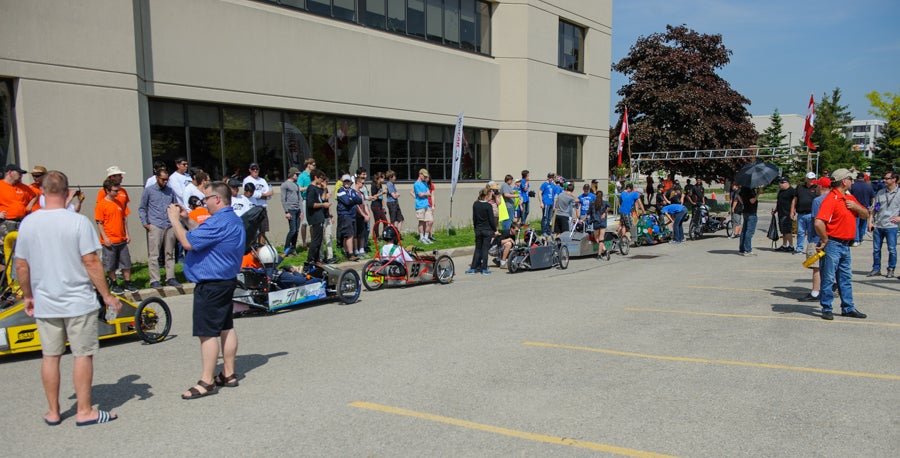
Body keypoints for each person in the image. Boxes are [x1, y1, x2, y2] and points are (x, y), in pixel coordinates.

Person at [15, 170, 121, 426]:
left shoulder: (29, 222)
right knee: (82, 354)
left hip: (45, 300)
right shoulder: (77, 222)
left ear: (41, 191)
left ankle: (53, 411)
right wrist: (106, 295)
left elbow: (21, 265)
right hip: (77, 300)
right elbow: (91, 261)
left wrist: (28, 295)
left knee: (50, 356)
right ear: (66, 192)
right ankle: (84, 411)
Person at [167, 181, 245, 398]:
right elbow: (202, 233)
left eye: (207, 199)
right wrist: (186, 218)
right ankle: (228, 373)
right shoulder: (230, 219)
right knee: (225, 326)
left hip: (211, 284)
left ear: (217, 199)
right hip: (225, 280)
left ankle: (207, 380)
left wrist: (174, 220)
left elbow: (188, 243)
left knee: (207, 333)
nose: (204, 202)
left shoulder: (219, 221)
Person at [814, 169, 869, 320]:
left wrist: (856, 207)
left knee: (845, 278)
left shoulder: (848, 198)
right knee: (829, 278)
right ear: (844, 181)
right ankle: (827, 307)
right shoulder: (831, 199)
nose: (852, 182)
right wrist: (824, 239)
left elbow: (866, 214)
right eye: (850, 179)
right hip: (833, 243)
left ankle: (848, 307)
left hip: (845, 245)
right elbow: (818, 223)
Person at [138, 169, 180, 288]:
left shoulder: (170, 191)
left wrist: (175, 221)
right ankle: (154, 280)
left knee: (170, 252)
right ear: (157, 178)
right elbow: (142, 207)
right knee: (154, 254)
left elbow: (175, 206)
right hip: (155, 224)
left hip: (169, 224)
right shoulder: (149, 191)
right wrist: (145, 223)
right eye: (163, 179)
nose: (165, 182)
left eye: (167, 179)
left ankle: (170, 277)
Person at [95, 179, 137, 293]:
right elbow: (99, 223)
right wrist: (105, 237)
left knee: (126, 262)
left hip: (121, 238)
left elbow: (124, 219)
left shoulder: (118, 203)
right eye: (115, 191)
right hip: (110, 239)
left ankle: (128, 283)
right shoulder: (101, 205)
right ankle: (114, 284)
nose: (117, 193)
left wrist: (127, 233)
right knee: (110, 264)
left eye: (118, 190)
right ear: (107, 191)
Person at [798, 178, 832, 302]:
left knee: (815, 266)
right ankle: (831, 287)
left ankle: (815, 292)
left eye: (816, 186)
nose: (815, 188)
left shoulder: (818, 201)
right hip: (832, 237)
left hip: (818, 238)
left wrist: (813, 236)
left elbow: (816, 220)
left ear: (821, 187)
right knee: (829, 265)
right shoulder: (834, 198)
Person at [0, 164, 37, 265]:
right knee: (6, 250)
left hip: (21, 222)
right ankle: (7, 276)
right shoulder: (1, 186)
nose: (21, 175)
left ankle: (17, 275)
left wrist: (28, 207)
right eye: (18, 173)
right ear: (9, 173)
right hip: (6, 222)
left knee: (21, 250)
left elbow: (34, 196)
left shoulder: (23, 187)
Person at [867, 170, 900, 278]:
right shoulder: (880, 192)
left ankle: (891, 269)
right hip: (879, 225)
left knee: (892, 249)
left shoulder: (899, 193)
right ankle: (876, 269)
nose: (884, 180)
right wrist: (870, 222)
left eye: (887, 178)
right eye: (884, 178)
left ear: (894, 179)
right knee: (876, 249)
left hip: (891, 226)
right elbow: (874, 209)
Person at [466, 188, 497, 275]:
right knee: (485, 249)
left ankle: (473, 268)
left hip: (478, 229)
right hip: (487, 230)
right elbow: (491, 220)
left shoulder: (475, 204)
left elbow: (474, 218)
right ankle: (484, 269)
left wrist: (476, 228)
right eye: (490, 195)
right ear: (487, 195)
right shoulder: (488, 206)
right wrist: (495, 230)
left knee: (478, 249)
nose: (491, 197)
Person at [243, 163, 274, 242]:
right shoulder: (247, 180)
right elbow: (251, 194)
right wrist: (264, 195)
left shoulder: (262, 180)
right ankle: (252, 250)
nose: (255, 170)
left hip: (262, 208)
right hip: (253, 208)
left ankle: (261, 249)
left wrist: (262, 195)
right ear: (250, 170)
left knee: (263, 230)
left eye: (257, 169)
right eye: (253, 169)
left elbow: (270, 195)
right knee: (253, 231)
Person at [305, 170, 329, 265]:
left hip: (320, 216)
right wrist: (323, 205)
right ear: (315, 177)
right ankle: (310, 259)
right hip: (315, 217)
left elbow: (322, 199)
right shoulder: (311, 188)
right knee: (316, 240)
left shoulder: (317, 189)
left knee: (319, 240)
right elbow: (311, 204)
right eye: (320, 178)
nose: (321, 180)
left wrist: (325, 189)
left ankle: (316, 259)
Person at [336, 174, 362, 261]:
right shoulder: (340, 190)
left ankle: (348, 252)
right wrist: (352, 199)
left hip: (352, 214)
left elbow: (360, 200)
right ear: (343, 182)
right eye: (345, 181)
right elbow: (347, 201)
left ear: (350, 182)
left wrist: (352, 199)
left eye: (348, 181)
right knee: (349, 235)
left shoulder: (352, 190)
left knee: (350, 234)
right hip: (345, 215)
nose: (347, 183)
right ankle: (350, 254)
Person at [793, 172, 818, 253]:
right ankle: (799, 249)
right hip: (801, 213)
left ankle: (809, 249)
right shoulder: (800, 187)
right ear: (806, 179)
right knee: (800, 232)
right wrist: (792, 209)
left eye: (813, 179)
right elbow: (795, 199)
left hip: (811, 214)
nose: (811, 180)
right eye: (810, 179)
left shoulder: (817, 188)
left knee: (811, 233)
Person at [280, 167, 302, 257]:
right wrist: (286, 211)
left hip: (297, 210)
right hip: (291, 210)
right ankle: (286, 249)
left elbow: (299, 198)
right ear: (292, 174)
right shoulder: (285, 185)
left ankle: (293, 249)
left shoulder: (296, 185)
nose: (297, 176)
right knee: (292, 230)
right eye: (297, 174)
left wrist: (301, 211)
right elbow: (283, 199)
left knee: (296, 230)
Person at [849, 172, 875, 246]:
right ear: (863, 178)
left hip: (855, 207)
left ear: (857, 178)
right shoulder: (868, 186)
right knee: (863, 224)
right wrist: (872, 206)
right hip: (866, 207)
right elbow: (873, 197)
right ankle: (860, 238)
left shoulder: (853, 186)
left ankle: (856, 240)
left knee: (856, 224)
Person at [296, 158, 316, 251]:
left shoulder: (313, 175)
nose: (314, 166)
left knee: (312, 223)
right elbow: (299, 188)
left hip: (312, 200)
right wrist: (308, 187)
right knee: (304, 223)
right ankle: (304, 243)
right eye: (313, 165)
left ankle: (312, 242)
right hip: (305, 200)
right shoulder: (302, 176)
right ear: (309, 165)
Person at [773, 177, 797, 252]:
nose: (780, 184)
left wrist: (793, 211)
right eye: (780, 183)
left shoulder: (792, 191)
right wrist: (776, 210)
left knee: (787, 230)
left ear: (787, 183)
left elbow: (795, 202)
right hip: (781, 213)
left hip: (787, 213)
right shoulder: (781, 191)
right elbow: (779, 201)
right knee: (783, 230)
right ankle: (784, 245)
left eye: (782, 183)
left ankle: (791, 245)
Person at [413, 168, 433, 244]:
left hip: (427, 205)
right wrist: (425, 194)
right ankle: (421, 238)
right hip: (420, 205)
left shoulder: (425, 183)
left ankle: (426, 237)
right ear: (420, 174)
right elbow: (420, 195)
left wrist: (425, 193)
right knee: (421, 222)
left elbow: (429, 193)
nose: (425, 178)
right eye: (424, 176)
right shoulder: (416, 184)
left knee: (430, 221)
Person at [738, 186, 759, 256]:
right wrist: (758, 194)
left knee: (744, 231)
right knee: (749, 231)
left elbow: (738, 195)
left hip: (746, 211)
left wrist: (743, 203)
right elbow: (752, 201)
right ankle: (748, 250)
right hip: (751, 212)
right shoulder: (750, 190)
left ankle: (742, 248)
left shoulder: (743, 188)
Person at [353, 174, 370, 257]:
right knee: (356, 233)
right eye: (362, 183)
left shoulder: (361, 193)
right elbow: (357, 206)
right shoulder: (354, 192)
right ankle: (356, 250)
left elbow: (364, 204)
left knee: (362, 233)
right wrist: (363, 215)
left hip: (363, 216)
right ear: (357, 182)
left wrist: (368, 214)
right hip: (357, 215)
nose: (363, 185)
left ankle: (361, 249)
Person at [588, 190, 610, 259]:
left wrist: (582, 219)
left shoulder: (592, 203)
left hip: (596, 222)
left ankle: (603, 251)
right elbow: (608, 207)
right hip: (603, 222)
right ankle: (600, 253)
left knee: (596, 237)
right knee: (601, 238)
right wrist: (604, 213)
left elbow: (588, 212)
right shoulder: (605, 203)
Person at [385, 170, 404, 234]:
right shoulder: (389, 184)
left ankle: (397, 233)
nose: (395, 177)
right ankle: (391, 234)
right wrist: (397, 195)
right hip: (392, 203)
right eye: (394, 176)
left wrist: (397, 194)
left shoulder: (392, 184)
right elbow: (394, 196)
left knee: (400, 219)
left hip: (395, 203)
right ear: (390, 177)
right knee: (392, 220)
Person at [370, 171, 387, 238]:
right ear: (379, 178)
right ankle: (376, 236)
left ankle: (384, 235)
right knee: (377, 221)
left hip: (380, 206)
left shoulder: (380, 185)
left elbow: (381, 198)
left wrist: (383, 207)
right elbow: (374, 196)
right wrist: (382, 192)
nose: (384, 180)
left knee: (385, 221)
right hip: (375, 205)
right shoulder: (373, 185)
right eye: (383, 178)